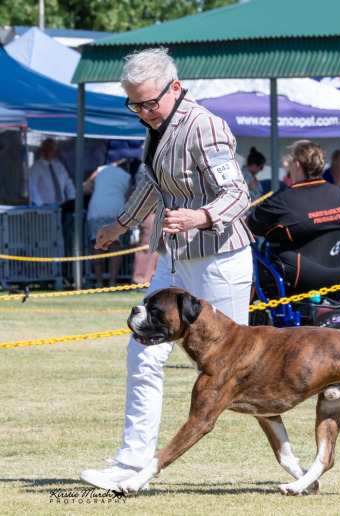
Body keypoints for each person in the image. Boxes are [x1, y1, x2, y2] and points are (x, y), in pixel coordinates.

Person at [80, 47, 253, 491]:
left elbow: (237, 193)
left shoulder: (207, 127)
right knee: (142, 353)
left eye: (149, 102)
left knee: (243, 375)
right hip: (174, 264)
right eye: (134, 104)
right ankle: (131, 462)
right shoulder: (155, 127)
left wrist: (200, 216)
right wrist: (120, 225)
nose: (143, 112)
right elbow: (153, 184)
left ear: (175, 88)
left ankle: (328, 384)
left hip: (219, 260)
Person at [247, 140, 340, 293]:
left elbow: (250, 227)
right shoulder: (338, 194)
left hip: (301, 274)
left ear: (297, 165)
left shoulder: (284, 199)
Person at [86, 163, 132, 288]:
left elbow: (86, 187)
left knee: (97, 245)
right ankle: (112, 282)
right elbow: (129, 198)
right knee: (115, 247)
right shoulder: (127, 175)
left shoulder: (99, 169)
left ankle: (99, 282)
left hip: (96, 209)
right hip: (117, 210)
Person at [29, 138, 75, 208]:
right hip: (44, 208)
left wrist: (72, 200)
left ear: (54, 152)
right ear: (41, 151)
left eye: (50, 149)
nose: (47, 152)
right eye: (45, 149)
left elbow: (68, 183)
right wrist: (40, 204)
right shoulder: (36, 167)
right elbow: (32, 186)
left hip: (61, 206)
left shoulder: (59, 166)